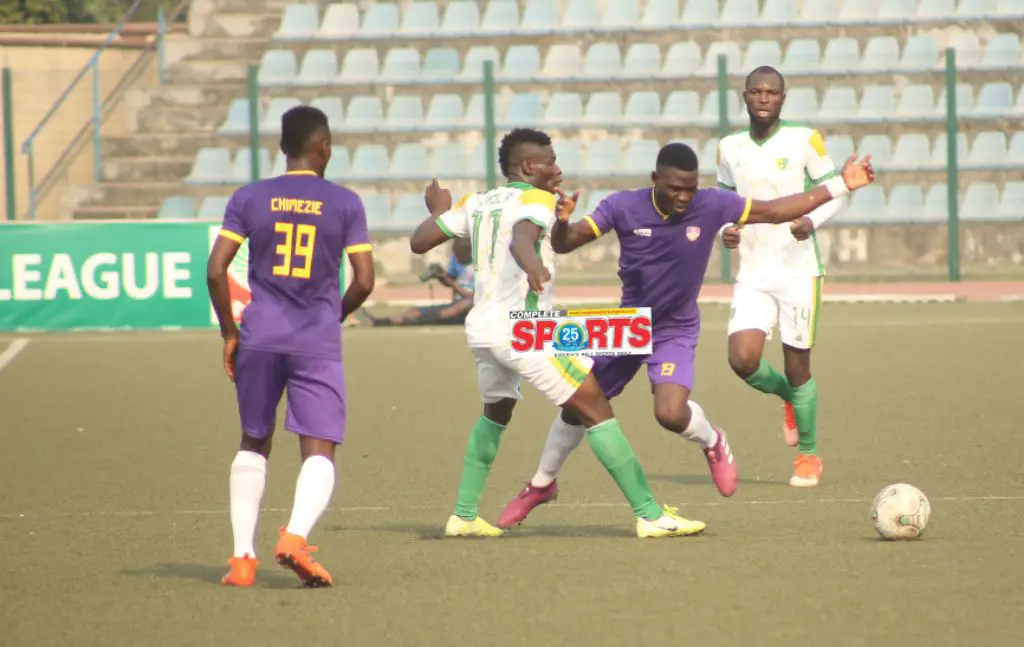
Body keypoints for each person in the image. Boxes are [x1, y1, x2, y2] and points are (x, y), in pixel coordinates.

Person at [497, 141, 873, 529]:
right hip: (628, 325)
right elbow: (565, 244)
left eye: (690, 189)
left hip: (674, 328)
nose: (683, 197)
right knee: (577, 406)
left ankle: (712, 441)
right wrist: (562, 222)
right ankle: (541, 485)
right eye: (675, 188)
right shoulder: (622, 206)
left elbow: (776, 210)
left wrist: (842, 184)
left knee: (670, 414)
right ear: (655, 179)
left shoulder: (712, 204)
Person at [410, 128, 706, 539]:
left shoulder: (476, 201)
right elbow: (522, 238)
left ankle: (464, 515)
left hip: (482, 328)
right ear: (529, 166)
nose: (558, 170)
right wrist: (532, 265)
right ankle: (651, 516)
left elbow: (420, 240)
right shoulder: (537, 199)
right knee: (595, 406)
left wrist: (438, 212)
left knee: (496, 411)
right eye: (550, 162)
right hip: (524, 330)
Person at [207, 105, 375, 588]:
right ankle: (295, 537)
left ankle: (242, 560)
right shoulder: (345, 203)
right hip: (314, 340)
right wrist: (332, 314)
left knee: (253, 440)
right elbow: (364, 280)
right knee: (319, 447)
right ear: (324, 147)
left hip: (259, 336)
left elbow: (216, 269)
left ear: (283, 148)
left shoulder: (249, 197)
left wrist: (230, 332)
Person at [717, 66, 842, 488]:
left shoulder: (805, 139)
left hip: (798, 271)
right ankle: (789, 398)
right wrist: (725, 229)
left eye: (771, 92)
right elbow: (722, 202)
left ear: (782, 98)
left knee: (797, 365)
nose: (764, 98)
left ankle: (808, 455)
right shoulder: (729, 146)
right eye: (756, 91)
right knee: (742, 360)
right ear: (745, 96)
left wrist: (812, 220)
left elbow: (836, 190)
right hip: (753, 271)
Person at [356, 238, 473, 327]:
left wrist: (449, 282)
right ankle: (381, 321)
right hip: (457, 302)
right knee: (415, 310)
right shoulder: (457, 257)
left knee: (459, 307)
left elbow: (472, 297)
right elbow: (451, 281)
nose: (458, 258)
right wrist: (441, 276)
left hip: (473, 306)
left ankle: (415, 321)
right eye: (456, 253)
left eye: (461, 254)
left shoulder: (481, 265)